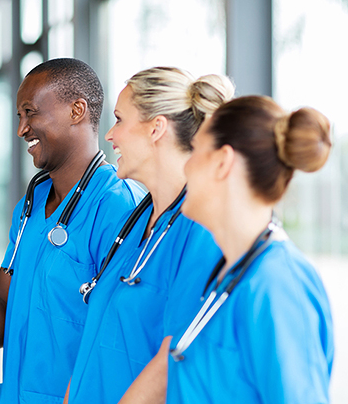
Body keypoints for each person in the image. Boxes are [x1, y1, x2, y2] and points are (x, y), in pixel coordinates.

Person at [0, 58, 144, 402]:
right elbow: (4, 302)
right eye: (19, 117)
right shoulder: (32, 205)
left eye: (30, 112)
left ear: (76, 110)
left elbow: (122, 339)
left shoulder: (120, 207)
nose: (21, 129)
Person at [62, 67, 234, 404]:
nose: (110, 135)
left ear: (156, 128)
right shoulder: (133, 226)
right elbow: (93, 344)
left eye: (120, 120)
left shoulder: (200, 233)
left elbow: (172, 358)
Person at [161, 95, 334, 403]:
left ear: (222, 162)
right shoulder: (229, 273)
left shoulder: (279, 285)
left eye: (195, 150)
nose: (186, 167)